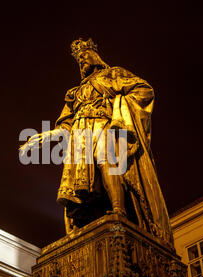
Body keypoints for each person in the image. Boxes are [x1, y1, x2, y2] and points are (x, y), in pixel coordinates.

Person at [19, 38, 173, 247]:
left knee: (106, 158)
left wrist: (119, 107)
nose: (81, 60)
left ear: (95, 54)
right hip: (80, 135)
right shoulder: (74, 93)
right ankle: (90, 218)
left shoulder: (113, 75)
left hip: (105, 124)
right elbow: (66, 125)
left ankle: (118, 210)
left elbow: (145, 90)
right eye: (78, 58)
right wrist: (44, 137)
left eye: (84, 55)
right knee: (82, 178)